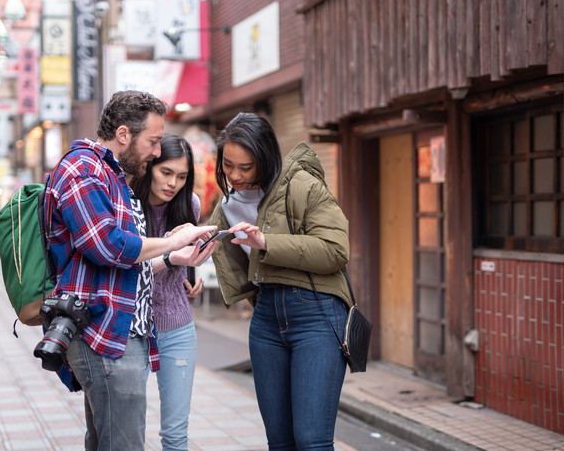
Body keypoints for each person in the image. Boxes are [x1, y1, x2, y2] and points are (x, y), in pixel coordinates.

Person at [43, 90, 217, 451]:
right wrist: (173, 242)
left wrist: (176, 260)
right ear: (124, 134)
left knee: (107, 440)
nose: (157, 151)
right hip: (103, 333)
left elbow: (127, 261)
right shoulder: (83, 169)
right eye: (153, 142)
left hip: (121, 332)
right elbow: (108, 246)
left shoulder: (111, 174)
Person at [208, 113, 352, 451]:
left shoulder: (302, 185)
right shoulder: (227, 205)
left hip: (317, 314)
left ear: (266, 157)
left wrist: (266, 243)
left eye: (246, 167)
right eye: (228, 165)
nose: (235, 175)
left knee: (312, 440)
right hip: (266, 318)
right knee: (280, 442)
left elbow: (336, 249)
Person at [130, 134, 204, 451]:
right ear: (150, 167)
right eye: (166, 172)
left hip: (177, 326)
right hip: (131, 330)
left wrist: (189, 273)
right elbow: (126, 269)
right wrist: (171, 257)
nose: (173, 183)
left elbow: (184, 257)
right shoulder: (126, 205)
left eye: (182, 176)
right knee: (127, 431)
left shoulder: (190, 205)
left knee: (175, 434)